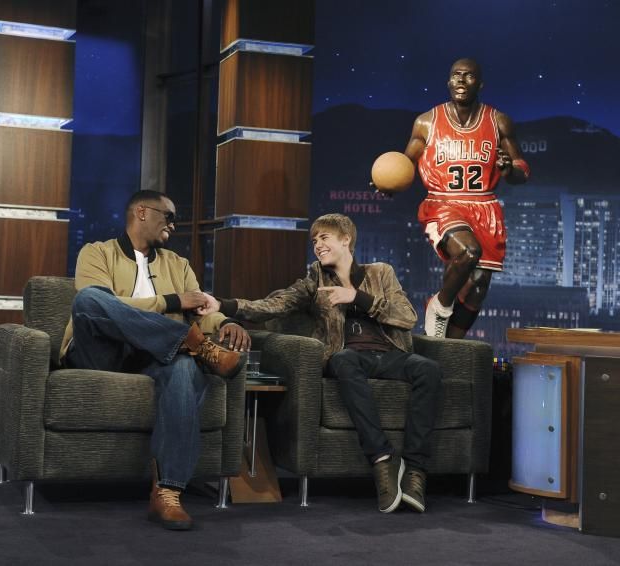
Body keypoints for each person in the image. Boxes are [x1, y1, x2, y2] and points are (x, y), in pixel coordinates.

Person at [198, 213, 443, 513]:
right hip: (349, 357)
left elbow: (407, 316)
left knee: (429, 368)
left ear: (346, 239)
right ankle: (382, 458)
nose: (317, 245)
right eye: (314, 240)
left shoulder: (381, 272)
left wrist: (356, 297)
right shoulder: (315, 280)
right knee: (344, 361)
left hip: (391, 354)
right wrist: (223, 305)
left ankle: (415, 469)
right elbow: (275, 304)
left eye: (324, 237)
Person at [59, 190, 250, 531]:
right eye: (169, 216)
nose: (173, 225)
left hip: (154, 356)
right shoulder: (97, 253)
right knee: (89, 299)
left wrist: (226, 322)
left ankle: (168, 493)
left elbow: (202, 310)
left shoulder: (178, 264)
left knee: (185, 367)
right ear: (142, 212)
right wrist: (172, 302)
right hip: (103, 353)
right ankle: (191, 343)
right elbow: (102, 306)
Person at [402, 58, 529, 338]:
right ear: (448, 81)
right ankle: (439, 306)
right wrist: (388, 182)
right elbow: (404, 165)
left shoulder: (498, 121)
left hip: (484, 206)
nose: (460, 80)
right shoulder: (426, 122)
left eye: (468, 75)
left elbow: (522, 169)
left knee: (479, 285)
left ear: (480, 84)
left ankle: (448, 345)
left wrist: (510, 169)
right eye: (455, 75)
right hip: (443, 203)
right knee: (468, 252)